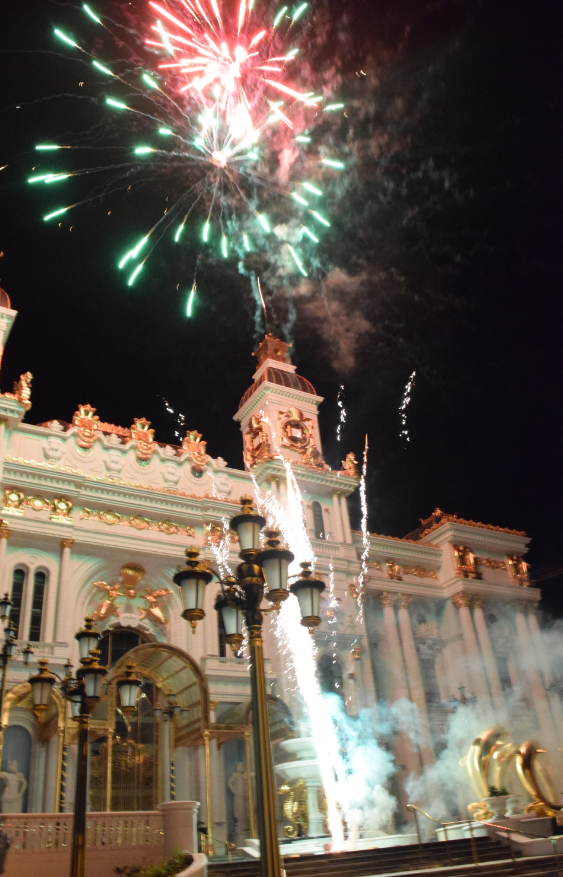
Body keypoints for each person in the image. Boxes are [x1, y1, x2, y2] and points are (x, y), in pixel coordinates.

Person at [227, 762, 249, 844]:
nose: (240, 768)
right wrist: (234, 791)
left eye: (242, 766)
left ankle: (246, 823)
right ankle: (240, 824)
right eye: (239, 766)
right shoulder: (235, 775)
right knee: (239, 810)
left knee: (247, 810)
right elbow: (229, 783)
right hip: (238, 795)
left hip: (245, 795)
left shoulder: (246, 774)